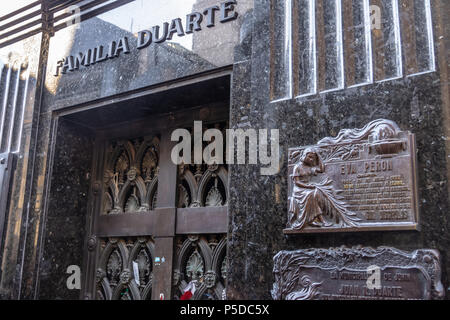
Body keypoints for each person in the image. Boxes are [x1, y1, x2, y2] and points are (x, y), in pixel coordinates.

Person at [288, 148, 359, 229]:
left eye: (313, 158)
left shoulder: (310, 167)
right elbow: (297, 182)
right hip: (299, 189)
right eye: (309, 157)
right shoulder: (297, 167)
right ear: (304, 156)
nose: (311, 159)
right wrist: (308, 186)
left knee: (316, 194)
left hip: (309, 187)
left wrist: (319, 157)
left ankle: (317, 219)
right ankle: (318, 220)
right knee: (311, 195)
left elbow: (321, 169)